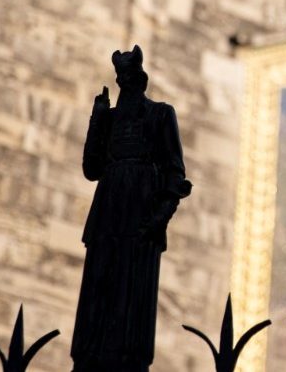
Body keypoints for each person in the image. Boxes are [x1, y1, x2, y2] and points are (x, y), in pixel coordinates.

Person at [72, 46, 191, 372]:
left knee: (132, 284)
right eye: (122, 78)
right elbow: (92, 169)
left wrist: (161, 214)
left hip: (140, 209)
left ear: (140, 80)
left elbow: (174, 170)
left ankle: (128, 359)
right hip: (109, 207)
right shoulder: (108, 120)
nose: (127, 83)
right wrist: (97, 118)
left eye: (131, 77)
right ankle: (89, 355)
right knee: (100, 279)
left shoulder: (160, 114)